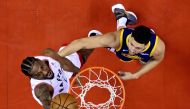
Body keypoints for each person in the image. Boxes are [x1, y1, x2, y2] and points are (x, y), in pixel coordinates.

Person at [57, 4, 165, 81]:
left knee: (141, 60)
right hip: (120, 41)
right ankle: (120, 19)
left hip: (133, 45)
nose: (132, 50)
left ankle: (122, 17)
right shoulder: (115, 39)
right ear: (131, 34)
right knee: (120, 49)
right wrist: (55, 57)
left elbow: (157, 59)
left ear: (146, 45)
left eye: (138, 48)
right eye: (132, 44)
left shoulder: (158, 48)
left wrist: (136, 75)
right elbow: (81, 43)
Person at [20, 46, 93, 109]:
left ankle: (94, 37)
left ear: (40, 60)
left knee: (81, 57)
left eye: (42, 67)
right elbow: (47, 104)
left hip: (62, 73)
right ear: (32, 77)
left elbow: (67, 65)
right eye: (39, 74)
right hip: (59, 97)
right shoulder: (41, 88)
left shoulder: (47, 55)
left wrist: (77, 73)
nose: (45, 72)